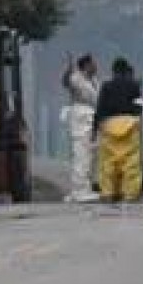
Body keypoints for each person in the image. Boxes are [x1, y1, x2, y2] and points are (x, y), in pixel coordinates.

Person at [92, 57, 143, 203]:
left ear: (113, 71)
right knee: (131, 163)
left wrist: (94, 129)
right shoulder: (133, 85)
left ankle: (108, 193)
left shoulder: (106, 86)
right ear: (126, 70)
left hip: (109, 126)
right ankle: (130, 194)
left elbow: (100, 107)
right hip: (129, 125)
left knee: (108, 163)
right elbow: (138, 105)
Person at [60, 54, 100, 202]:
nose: (96, 67)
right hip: (81, 118)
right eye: (93, 64)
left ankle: (85, 188)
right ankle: (79, 190)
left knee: (90, 155)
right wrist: (68, 71)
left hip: (91, 118)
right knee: (81, 155)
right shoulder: (76, 78)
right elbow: (66, 82)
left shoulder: (95, 81)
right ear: (86, 65)